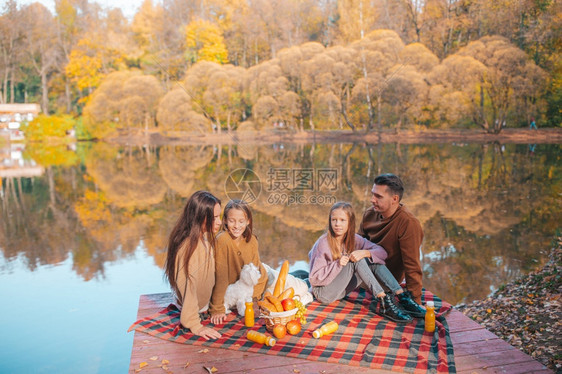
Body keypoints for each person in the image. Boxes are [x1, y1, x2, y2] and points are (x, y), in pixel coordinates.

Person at [308, 202, 421, 323]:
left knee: (371, 258)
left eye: (342, 220)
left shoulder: (354, 239)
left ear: (350, 222)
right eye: (334, 220)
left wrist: (366, 253)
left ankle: (401, 296)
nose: (337, 224)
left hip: (340, 290)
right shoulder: (323, 243)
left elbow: (382, 253)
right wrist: (337, 264)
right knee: (355, 261)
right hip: (324, 293)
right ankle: (383, 301)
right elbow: (314, 279)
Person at [358, 174, 426, 317]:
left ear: (394, 199)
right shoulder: (369, 214)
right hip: (361, 272)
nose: (372, 200)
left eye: (378, 196)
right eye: (372, 194)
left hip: (386, 281)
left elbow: (412, 265)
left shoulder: (408, 223)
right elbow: (357, 244)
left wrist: (415, 301)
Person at [164, 191, 223, 340]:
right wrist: (196, 325)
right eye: (215, 217)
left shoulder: (201, 237)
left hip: (205, 302)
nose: (220, 222)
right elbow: (187, 284)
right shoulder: (188, 248)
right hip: (197, 308)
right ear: (201, 217)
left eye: (219, 216)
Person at [209, 200, 268, 324]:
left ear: (248, 221)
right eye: (232, 221)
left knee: (294, 286)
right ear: (224, 220)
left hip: (259, 280)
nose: (236, 226)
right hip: (234, 289)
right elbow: (221, 277)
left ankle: (305, 282)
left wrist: (253, 298)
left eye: (241, 221)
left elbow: (256, 268)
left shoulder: (251, 240)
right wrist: (217, 308)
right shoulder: (223, 240)